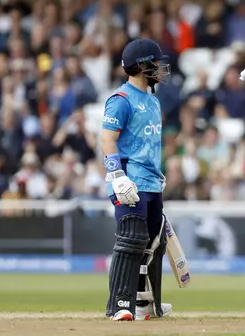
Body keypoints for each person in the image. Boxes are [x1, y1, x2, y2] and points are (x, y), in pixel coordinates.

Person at [101, 38, 172, 321]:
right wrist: (116, 175)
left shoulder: (152, 100)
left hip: (151, 181)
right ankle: (120, 304)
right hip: (129, 182)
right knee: (132, 239)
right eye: (156, 62)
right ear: (142, 65)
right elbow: (108, 139)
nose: (160, 68)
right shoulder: (121, 99)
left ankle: (145, 303)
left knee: (154, 242)